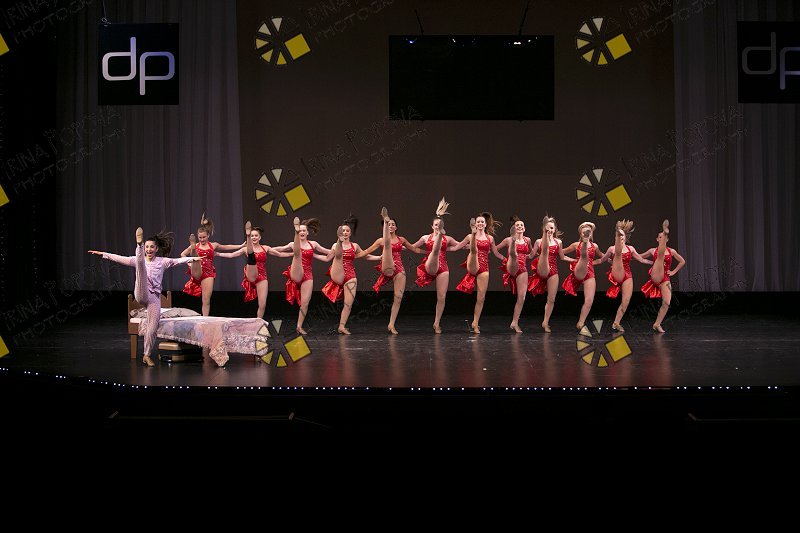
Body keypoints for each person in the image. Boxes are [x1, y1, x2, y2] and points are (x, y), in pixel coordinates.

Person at [88, 227, 200, 366]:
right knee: (140, 265)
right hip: (141, 292)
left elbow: (177, 261)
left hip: (154, 297)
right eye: (146, 247)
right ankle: (138, 244)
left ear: (156, 249)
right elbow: (119, 258)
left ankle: (146, 355)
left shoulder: (162, 262)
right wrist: (103, 254)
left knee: (152, 327)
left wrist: (193, 258)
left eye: (151, 247)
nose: (149, 249)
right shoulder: (138, 260)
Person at [355, 208, 423, 334]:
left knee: (398, 297)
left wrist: (430, 252)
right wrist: (350, 256)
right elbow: (366, 252)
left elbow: (415, 249)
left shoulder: (402, 240)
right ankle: (384, 219)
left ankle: (391, 324)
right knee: (387, 245)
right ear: (385, 226)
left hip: (399, 268)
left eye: (392, 224)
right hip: (387, 265)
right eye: (388, 224)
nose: (391, 226)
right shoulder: (381, 241)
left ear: (396, 227)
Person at [408, 198, 468, 333]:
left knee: (441, 296)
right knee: (435, 251)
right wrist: (395, 246)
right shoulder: (425, 237)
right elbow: (412, 247)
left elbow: (460, 246)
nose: (437, 226)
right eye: (436, 225)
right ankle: (435, 248)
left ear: (443, 226)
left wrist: (476, 244)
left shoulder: (449, 239)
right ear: (432, 226)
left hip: (443, 267)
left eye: (439, 225)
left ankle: (436, 323)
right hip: (430, 264)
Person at [216, 222, 292, 319]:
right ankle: (249, 243)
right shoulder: (245, 249)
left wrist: (294, 254)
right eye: (252, 236)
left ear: (260, 237)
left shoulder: (265, 248)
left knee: (262, 304)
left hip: (262, 276)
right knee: (251, 255)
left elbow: (280, 254)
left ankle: (258, 321)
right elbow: (231, 255)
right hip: (251, 274)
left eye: (256, 236)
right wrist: (218, 254)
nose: (254, 237)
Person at [321, 215, 378, 334]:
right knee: (338, 254)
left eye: (347, 231)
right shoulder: (334, 246)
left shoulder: (355, 246)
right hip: (337, 271)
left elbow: (366, 256)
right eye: (343, 231)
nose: (345, 232)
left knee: (348, 304)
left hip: (350, 275)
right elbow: (327, 258)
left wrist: (380, 257)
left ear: (350, 233)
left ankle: (341, 326)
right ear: (340, 233)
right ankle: (339, 243)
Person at [179, 213, 245, 316]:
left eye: (204, 237)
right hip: (196, 269)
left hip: (208, 273)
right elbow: (182, 254)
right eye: (200, 237)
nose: (202, 239)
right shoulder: (197, 245)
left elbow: (227, 247)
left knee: (206, 299)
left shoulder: (213, 245)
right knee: (196, 259)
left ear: (208, 235)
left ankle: (205, 319)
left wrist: (240, 246)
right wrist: (189, 264)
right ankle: (194, 253)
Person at [594, 219, 652, 332]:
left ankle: (616, 323)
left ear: (625, 238)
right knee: (618, 254)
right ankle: (617, 258)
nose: (621, 238)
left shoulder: (631, 249)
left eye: (622, 236)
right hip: (616, 272)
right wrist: (589, 263)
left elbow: (641, 260)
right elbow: (601, 260)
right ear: (616, 237)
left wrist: (654, 263)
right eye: (619, 236)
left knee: (626, 301)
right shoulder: (612, 249)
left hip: (627, 275)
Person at [277, 216, 331, 335]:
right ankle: (296, 242)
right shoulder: (292, 244)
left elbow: (327, 252)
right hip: (296, 271)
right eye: (299, 230)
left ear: (307, 233)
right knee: (297, 254)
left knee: (305, 303)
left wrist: (339, 248)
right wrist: (262, 249)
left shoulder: (313, 244)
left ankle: (299, 326)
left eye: (303, 230)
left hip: (307, 274)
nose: (302, 232)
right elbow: (279, 249)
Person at [456, 212, 502, 334]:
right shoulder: (469, 237)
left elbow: (496, 253)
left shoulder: (490, 238)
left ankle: (475, 322)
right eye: (478, 222)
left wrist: (505, 259)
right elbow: (457, 247)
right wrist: (440, 248)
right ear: (475, 224)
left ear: (485, 224)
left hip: (484, 267)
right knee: (474, 251)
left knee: (481, 298)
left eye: (482, 222)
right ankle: (473, 240)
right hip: (472, 263)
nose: (480, 223)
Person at [528, 216, 574, 332]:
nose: (550, 230)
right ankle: (545, 251)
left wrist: (574, 260)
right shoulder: (538, 241)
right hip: (542, 267)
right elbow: (531, 255)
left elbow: (562, 257)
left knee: (551, 299)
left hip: (553, 271)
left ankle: (545, 322)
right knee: (544, 251)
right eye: (547, 228)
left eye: (552, 228)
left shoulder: (559, 242)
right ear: (544, 229)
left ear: (555, 229)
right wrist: (518, 256)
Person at [639, 220, 686, 333]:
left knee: (666, 302)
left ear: (667, 240)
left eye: (664, 237)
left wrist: (674, 271)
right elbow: (639, 257)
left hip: (664, 278)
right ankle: (665, 231)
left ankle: (657, 324)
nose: (662, 239)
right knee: (660, 257)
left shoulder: (672, 251)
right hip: (655, 274)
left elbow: (682, 261)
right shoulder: (652, 251)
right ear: (657, 239)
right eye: (660, 237)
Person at [494, 215, 533, 333]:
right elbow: (494, 249)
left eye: (521, 225)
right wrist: (502, 257)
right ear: (513, 228)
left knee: (522, 297)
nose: (519, 226)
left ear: (524, 228)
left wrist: (542, 253)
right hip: (511, 265)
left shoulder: (528, 240)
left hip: (522, 268)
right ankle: (513, 250)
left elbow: (531, 254)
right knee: (514, 254)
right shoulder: (507, 240)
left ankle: (514, 322)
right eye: (517, 225)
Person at [561, 222, 600, 330]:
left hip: (589, 272)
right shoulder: (576, 245)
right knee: (583, 256)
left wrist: (613, 259)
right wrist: (572, 260)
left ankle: (581, 322)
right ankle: (584, 246)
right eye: (584, 233)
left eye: (588, 232)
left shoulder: (595, 246)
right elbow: (561, 252)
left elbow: (602, 257)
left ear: (591, 234)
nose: (586, 233)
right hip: (578, 270)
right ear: (581, 234)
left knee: (589, 300)